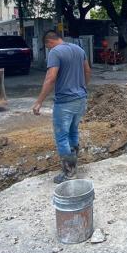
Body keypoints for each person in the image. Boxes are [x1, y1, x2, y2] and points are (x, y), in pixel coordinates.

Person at [33, 30, 91, 183]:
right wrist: (83, 88)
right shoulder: (79, 49)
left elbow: (51, 78)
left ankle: (69, 173)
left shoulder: (55, 52)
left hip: (65, 102)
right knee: (73, 132)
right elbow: (87, 71)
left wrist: (39, 101)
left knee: (62, 137)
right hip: (81, 99)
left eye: (47, 47)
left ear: (49, 42)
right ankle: (73, 165)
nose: (48, 50)